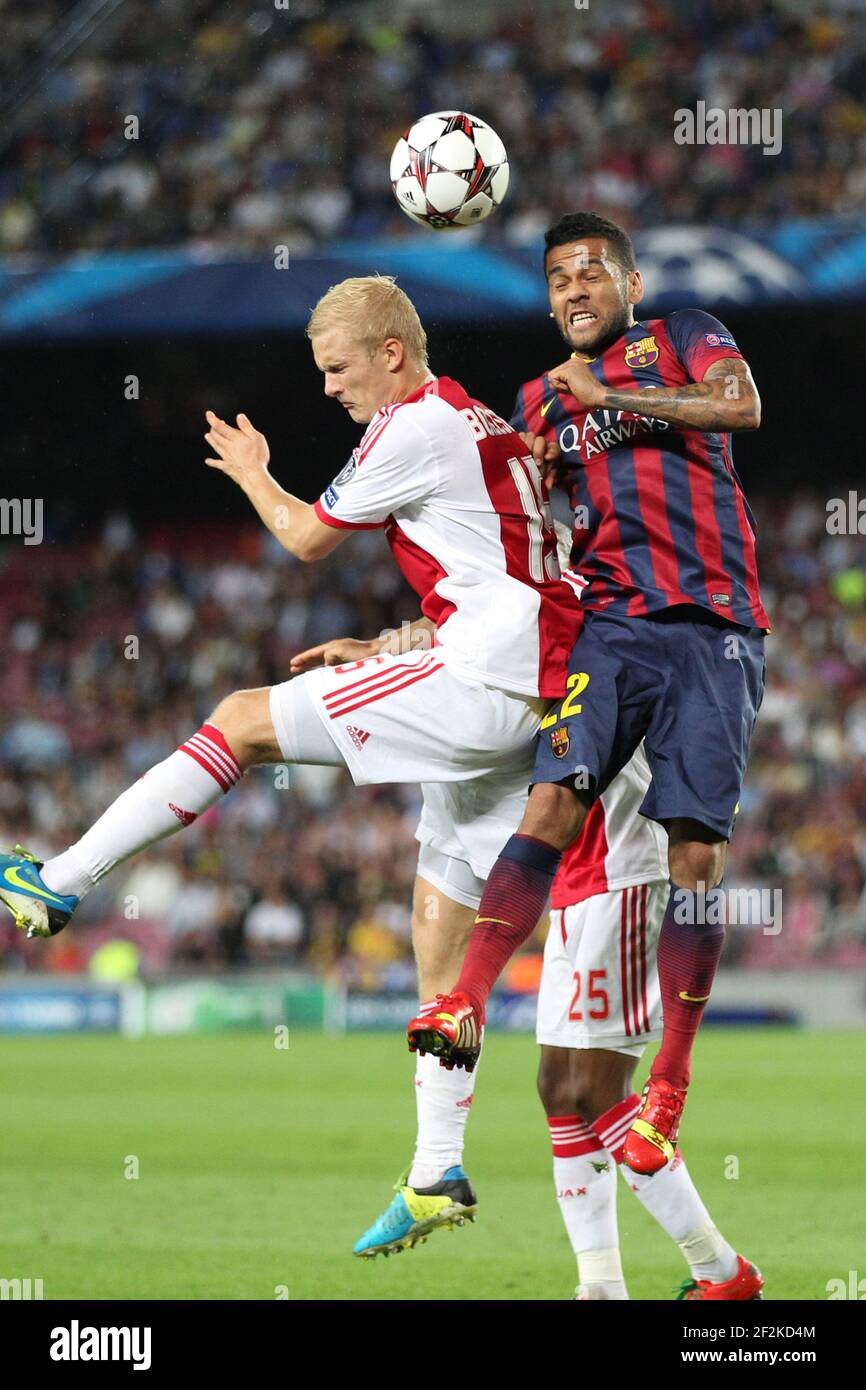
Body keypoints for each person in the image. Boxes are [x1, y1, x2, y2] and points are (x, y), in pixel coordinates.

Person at [0, 273, 579, 1249]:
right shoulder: (477, 421)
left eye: (336, 367)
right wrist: (404, 633)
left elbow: (306, 536)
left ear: (390, 352)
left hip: (485, 677)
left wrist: (255, 471)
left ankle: (55, 884)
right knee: (441, 914)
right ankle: (436, 1167)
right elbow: (518, 564)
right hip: (527, 679)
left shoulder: (412, 424)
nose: (326, 387)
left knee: (240, 719)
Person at [408, 211, 770, 1180]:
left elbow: (739, 408)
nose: (572, 290)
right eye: (557, 278)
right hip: (611, 625)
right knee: (550, 799)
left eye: (590, 273)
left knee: (692, 853)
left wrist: (609, 394)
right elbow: (516, 527)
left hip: (711, 625)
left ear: (630, 282)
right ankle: (463, 1000)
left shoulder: (683, 337)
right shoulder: (537, 396)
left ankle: (669, 1088)